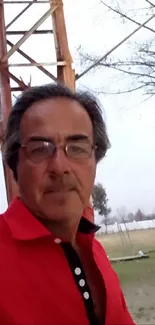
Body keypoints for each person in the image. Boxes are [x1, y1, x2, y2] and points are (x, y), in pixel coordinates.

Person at [0, 83, 135, 325]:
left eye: (77, 148)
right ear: (14, 165)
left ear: (95, 159)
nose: (60, 167)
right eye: (39, 149)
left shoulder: (94, 251)